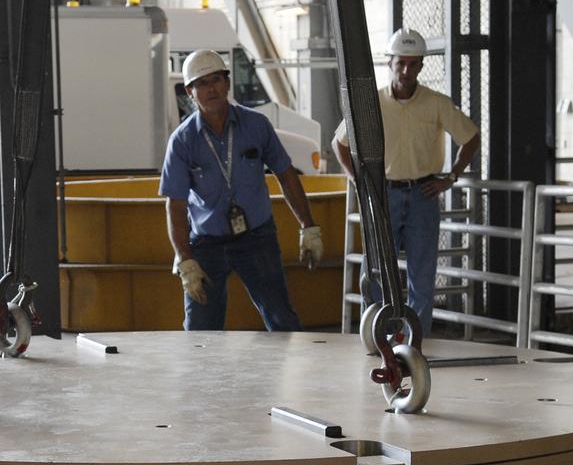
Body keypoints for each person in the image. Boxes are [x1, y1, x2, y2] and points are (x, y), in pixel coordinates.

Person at [331, 28, 481, 338]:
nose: (406, 70)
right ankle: (374, 338)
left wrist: (451, 176)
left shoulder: (437, 103)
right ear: (389, 63)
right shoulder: (371, 103)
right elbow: (340, 144)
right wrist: (357, 179)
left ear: (422, 67)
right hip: (383, 195)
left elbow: (471, 137)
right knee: (373, 272)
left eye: (413, 64)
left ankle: (414, 341)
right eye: (401, 63)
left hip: (423, 195)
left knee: (422, 274)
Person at [160, 49, 323, 331]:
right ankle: (203, 376)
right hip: (206, 245)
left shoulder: (256, 126)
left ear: (227, 84)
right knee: (200, 330)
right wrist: (185, 260)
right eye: (202, 83)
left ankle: (290, 374)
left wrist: (309, 227)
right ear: (190, 91)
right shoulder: (182, 142)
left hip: (256, 238)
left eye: (216, 80)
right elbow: (175, 205)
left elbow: (287, 176)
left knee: (282, 320)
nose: (211, 88)